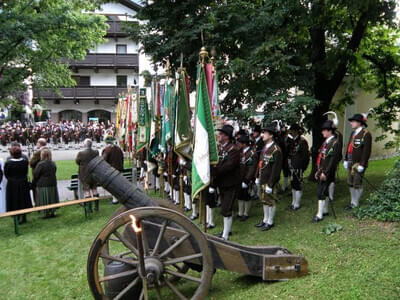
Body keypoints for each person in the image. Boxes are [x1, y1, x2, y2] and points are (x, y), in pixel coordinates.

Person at [211, 124, 241, 240]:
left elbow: (228, 166)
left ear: (227, 136)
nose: (219, 136)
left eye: (222, 134)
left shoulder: (234, 150)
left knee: (226, 209)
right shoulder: (220, 148)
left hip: (230, 183)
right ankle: (225, 230)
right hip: (222, 183)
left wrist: (213, 170)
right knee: (224, 207)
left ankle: (225, 235)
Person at [312, 120, 341, 222]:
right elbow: (322, 157)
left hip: (328, 171)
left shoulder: (334, 143)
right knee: (324, 191)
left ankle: (319, 215)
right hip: (323, 170)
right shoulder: (326, 142)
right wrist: (318, 171)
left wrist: (325, 172)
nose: (322, 132)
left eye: (324, 130)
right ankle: (325, 210)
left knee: (321, 192)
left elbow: (333, 160)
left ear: (330, 131)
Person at [254, 126, 282, 231]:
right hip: (262, 177)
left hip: (269, 180)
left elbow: (276, 169)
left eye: (264, 133)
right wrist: (257, 176)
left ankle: (270, 221)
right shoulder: (265, 147)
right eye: (262, 132)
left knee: (271, 200)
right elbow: (260, 163)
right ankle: (265, 219)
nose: (262, 135)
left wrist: (271, 184)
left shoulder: (276, 150)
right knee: (264, 200)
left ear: (271, 135)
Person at [343, 114, 372, 210]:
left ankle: (356, 202)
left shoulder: (366, 134)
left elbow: (366, 151)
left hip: (358, 163)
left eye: (353, 121)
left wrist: (362, 164)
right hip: (350, 162)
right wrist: (346, 159)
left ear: (359, 123)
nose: (351, 123)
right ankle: (352, 201)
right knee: (350, 182)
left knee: (357, 183)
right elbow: (349, 147)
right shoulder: (353, 133)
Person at [4, 142, 32, 224]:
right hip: (23, 182)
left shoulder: (8, 163)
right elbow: (25, 172)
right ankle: (23, 216)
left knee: (15, 200)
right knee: (23, 198)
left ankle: (17, 217)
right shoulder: (24, 162)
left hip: (13, 184)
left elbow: (7, 174)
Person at [287, 124, 310, 210]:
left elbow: (305, 157)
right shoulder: (292, 141)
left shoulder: (302, 141)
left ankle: (297, 204)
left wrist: (302, 168)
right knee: (293, 184)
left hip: (298, 167)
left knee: (298, 185)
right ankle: (293, 202)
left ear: (296, 131)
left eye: (293, 131)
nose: (291, 132)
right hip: (292, 166)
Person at [237, 134, 258, 221]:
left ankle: (246, 213)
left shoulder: (252, 153)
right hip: (240, 178)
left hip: (247, 179)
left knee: (246, 196)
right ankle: (240, 212)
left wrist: (246, 180)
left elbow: (252, 168)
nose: (238, 144)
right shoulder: (240, 152)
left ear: (244, 144)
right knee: (240, 196)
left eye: (240, 143)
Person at [33, 148, 59, 218]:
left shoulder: (40, 164)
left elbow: (35, 174)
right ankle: (52, 211)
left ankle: (46, 212)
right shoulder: (53, 163)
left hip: (43, 184)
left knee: (44, 199)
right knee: (51, 198)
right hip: (52, 182)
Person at [76, 139, 100, 211]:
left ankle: (89, 208)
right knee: (94, 189)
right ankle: (96, 207)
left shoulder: (81, 153)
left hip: (85, 174)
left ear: (85, 145)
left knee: (87, 190)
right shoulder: (96, 152)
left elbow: (77, 162)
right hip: (94, 173)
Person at [102, 135, 124, 204]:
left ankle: (115, 200)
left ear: (106, 142)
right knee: (118, 185)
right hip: (119, 169)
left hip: (111, 171)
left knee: (113, 186)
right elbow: (122, 158)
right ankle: (119, 198)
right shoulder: (118, 149)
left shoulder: (106, 150)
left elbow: (103, 161)